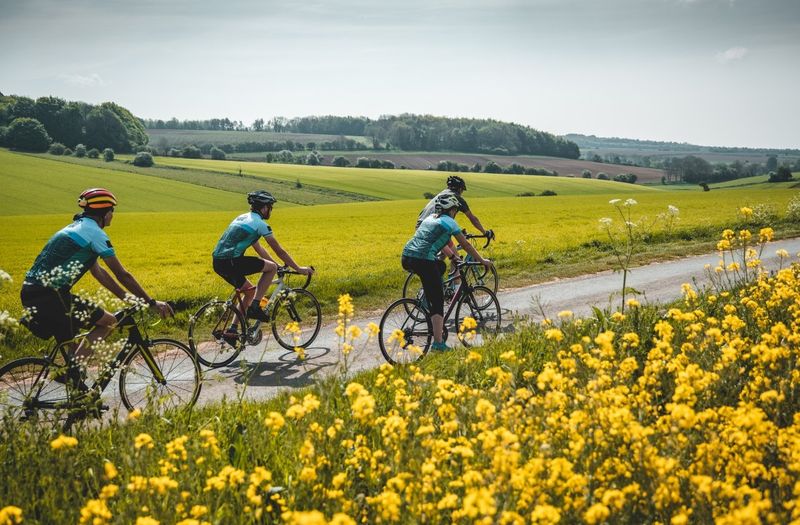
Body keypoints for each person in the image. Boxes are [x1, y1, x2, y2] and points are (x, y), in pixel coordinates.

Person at [20, 188, 173, 390]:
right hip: (51, 297)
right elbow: (122, 274)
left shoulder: (77, 228)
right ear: (105, 213)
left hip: (33, 293)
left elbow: (98, 272)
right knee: (109, 322)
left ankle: (79, 400)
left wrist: (125, 297)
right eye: (112, 211)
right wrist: (150, 302)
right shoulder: (95, 233)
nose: (113, 215)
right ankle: (71, 375)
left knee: (76, 351)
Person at [212, 190, 313, 336]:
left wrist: (278, 265)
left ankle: (232, 331)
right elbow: (280, 251)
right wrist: (299, 268)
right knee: (270, 269)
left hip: (218, 262)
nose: (271, 210)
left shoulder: (243, 218)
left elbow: (259, 248)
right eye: (270, 207)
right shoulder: (260, 224)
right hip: (232, 262)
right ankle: (255, 307)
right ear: (264, 208)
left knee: (249, 291)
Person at [402, 193, 492, 352]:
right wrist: (482, 260)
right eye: (455, 210)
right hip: (423, 260)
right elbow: (466, 246)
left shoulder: (430, 220)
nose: (455, 213)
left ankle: (425, 297)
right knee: (437, 301)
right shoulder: (450, 222)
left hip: (407, 257)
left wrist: (451, 256)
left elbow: (437, 241)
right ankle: (438, 344)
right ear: (451, 210)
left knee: (441, 267)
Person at [416, 174, 493, 269]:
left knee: (443, 254)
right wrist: (485, 232)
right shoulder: (455, 198)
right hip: (435, 229)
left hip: (421, 226)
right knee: (456, 258)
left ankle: (437, 277)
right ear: (460, 189)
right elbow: (473, 219)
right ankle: (456, 283)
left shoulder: (440, 195)